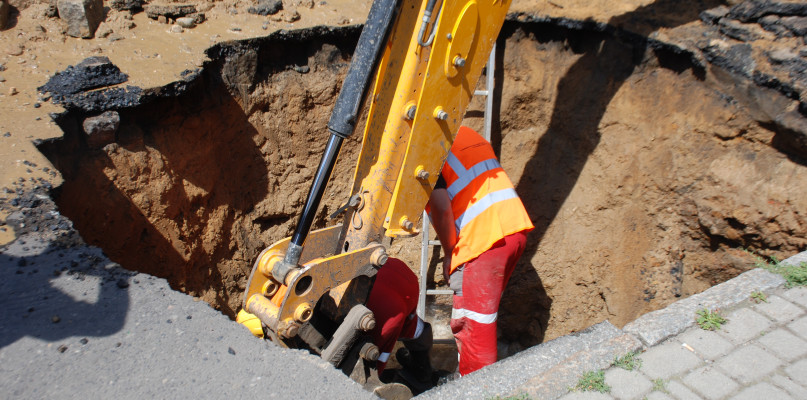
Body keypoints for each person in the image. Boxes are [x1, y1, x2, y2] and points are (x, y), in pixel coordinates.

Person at [426, 125, 534, 376]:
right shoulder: (464, 133)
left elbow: (441, 207)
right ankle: (467, 378)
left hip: (483, 241)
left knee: (474, 331)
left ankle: (478, 390)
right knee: (475, 321)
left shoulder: (425, 146)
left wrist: (451, 252)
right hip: (513, 230)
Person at [365, 257, 433, 384]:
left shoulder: (383, 323)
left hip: (396, 293)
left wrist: (373, 377)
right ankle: (421, 370)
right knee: (409, 325)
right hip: (391, 269)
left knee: (408, 327)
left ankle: (422, 374)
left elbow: (373, 366)